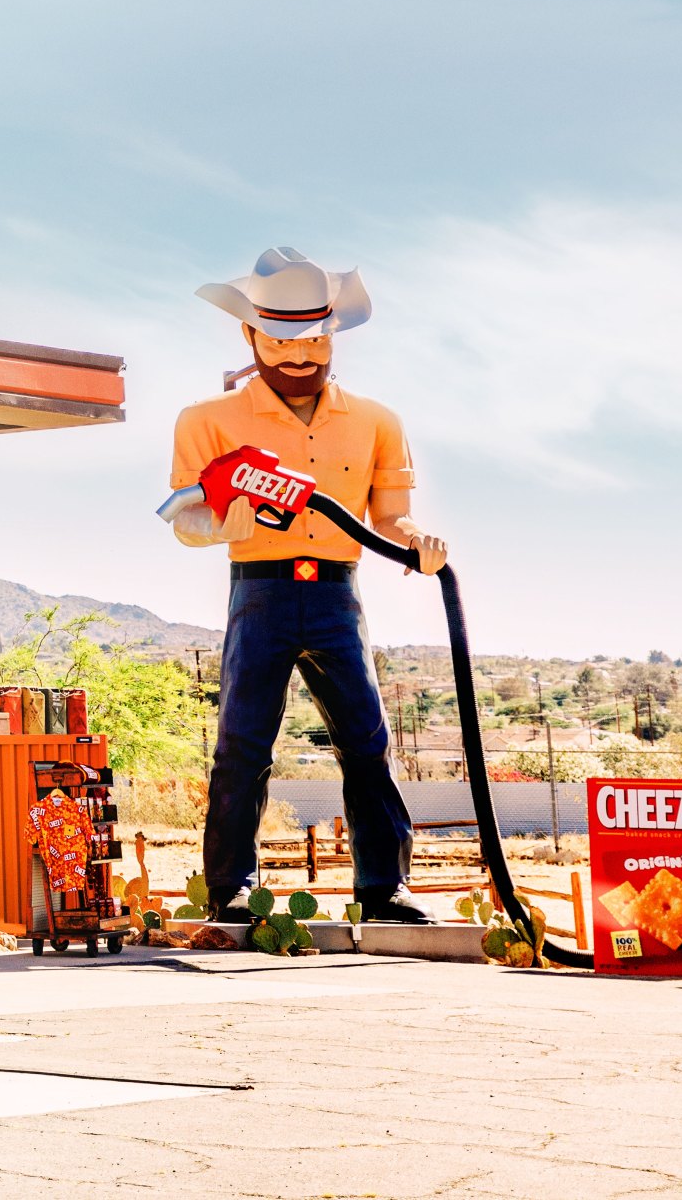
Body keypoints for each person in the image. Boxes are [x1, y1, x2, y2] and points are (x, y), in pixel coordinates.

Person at [166, 247, 448, 926]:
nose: (301, 353)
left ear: (333, 335)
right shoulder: (207, 420)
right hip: (257, 588)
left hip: (336, 591)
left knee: (368, 740)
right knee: (242, 741)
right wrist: (216, 525)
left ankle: (385, 887)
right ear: (251, 334)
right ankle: (230, 886)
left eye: (315, 338)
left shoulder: (378, 421)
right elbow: (185, 519)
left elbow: (387, 516)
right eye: (284, 339)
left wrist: (418, 542)